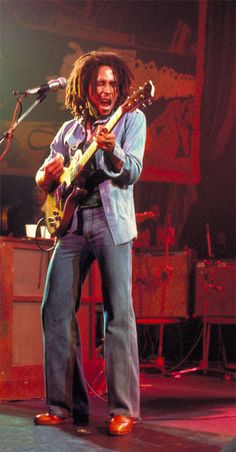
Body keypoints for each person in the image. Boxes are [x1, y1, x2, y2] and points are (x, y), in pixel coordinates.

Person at [34, 51, 147, 436]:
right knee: (55, 310)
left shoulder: (132, 118)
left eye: (113, 83)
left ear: (123, 89)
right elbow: (48, 177)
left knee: (118, 315)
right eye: (100, 82)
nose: (107, 89)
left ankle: (123, 409)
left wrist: (112, 148)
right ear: (86, 87)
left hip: (111, 223)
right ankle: (62, 406)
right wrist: (44, 176)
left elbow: (131, 171)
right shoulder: (69, 130)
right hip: (72, 225)